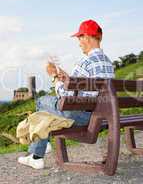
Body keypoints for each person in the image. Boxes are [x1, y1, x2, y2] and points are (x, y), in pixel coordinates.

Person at [18, 19, 115, 169]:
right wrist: (67, 79)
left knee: (41, 101)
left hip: (81, 117)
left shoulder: (85, 62)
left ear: (86, 37)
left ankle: (41, 146)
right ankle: (37, 154)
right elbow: (83, 88)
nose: (79, 43)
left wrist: (54, 76)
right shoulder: (108, 63)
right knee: (48, 111)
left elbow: (64, 95)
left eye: (79, 38)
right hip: (102, 116)